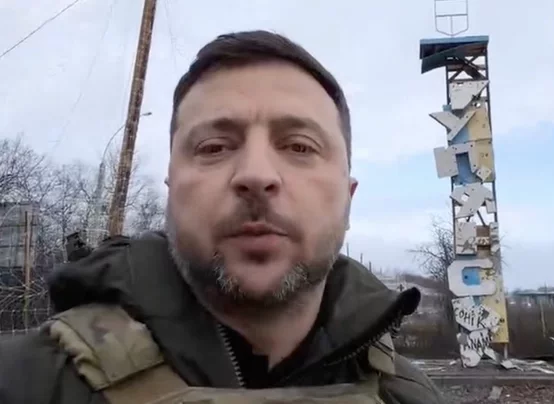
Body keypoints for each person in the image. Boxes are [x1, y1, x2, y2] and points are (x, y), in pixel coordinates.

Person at [0, 31, 445, 404]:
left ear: (347, 198)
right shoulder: (23, 383)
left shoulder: (408, 395)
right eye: (214, 147)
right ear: (172, 190)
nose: (256, 174)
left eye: (299, 146)